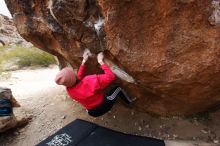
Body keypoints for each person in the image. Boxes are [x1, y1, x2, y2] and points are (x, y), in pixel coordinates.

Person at [55, 51, 133, 117]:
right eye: (72, 71)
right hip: (102, 107)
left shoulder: (69, 90)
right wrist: (100, 61)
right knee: (118, 89)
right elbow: (110, 77)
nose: (74, 70)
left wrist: (83, 61)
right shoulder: (89, 80)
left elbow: (77, 78)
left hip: (91, 112)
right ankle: (130, 102)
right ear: (73, 76)